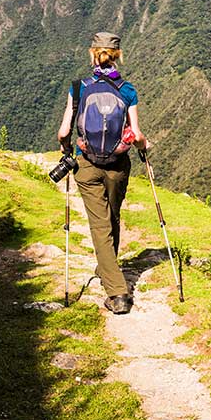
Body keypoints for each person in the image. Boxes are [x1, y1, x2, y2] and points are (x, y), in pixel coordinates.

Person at [57, 32, 149, 314]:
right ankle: (112, 273)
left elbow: (64, 131)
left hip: (87, 165)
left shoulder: (79, 88)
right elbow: (136, 135)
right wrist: (145, 147)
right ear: (118, 56)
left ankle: (116, 290)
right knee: (112, 216)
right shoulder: (128, 90)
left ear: (92, 54)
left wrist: (66, 148)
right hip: (117, 167)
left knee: (100, 225)